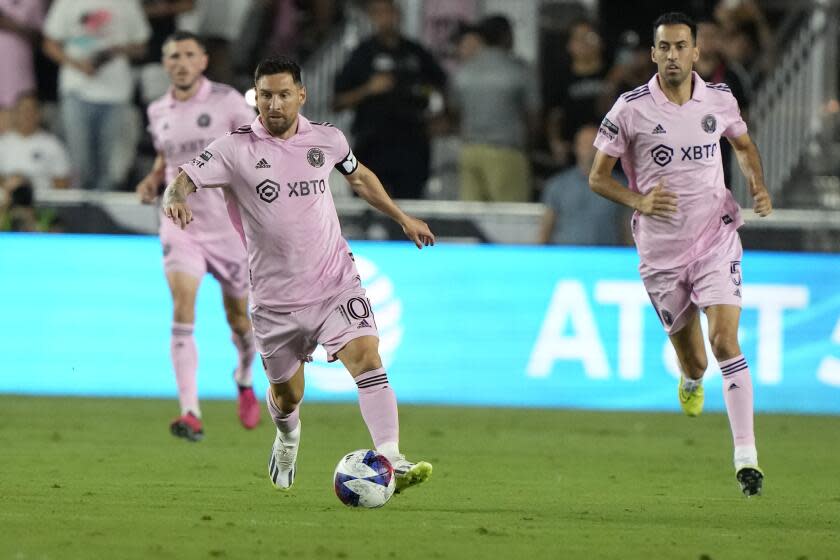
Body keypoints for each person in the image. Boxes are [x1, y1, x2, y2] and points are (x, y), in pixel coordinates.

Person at [162, 56, 436, 492]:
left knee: (366, 357)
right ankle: (288, 436)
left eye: (283, 94)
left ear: (301, 95)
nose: (274, 104)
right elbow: (183, 179)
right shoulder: (235, 148)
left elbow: (360, 177)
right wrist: (175, 199)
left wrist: (403, 217)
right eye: (266, 95)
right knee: (288, 397)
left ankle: (389, 455)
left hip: (334, 282)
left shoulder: (326, 140)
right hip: (275, 300)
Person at [588, 12, 772, 497]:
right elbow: (597, 177)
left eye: (681, 46)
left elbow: (744, 145)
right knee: (694, 362)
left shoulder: (720, 99)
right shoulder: (629, 110)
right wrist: (639, 200)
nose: (672, 55)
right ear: (653, 54)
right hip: (661, 253)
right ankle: (691, 383)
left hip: (716, 237)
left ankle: (746, 460)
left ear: (696, 52)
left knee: (726, 342)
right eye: (664, 47)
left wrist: (756, 182)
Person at [136, 31, 259, 441]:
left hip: (228, 228)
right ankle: (190, 412)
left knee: (239, 319)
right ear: (165, 63)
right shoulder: (158, 110)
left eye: (189, 54)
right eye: (173, 56)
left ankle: (244, 376)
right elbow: (165, 156)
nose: (181, 62)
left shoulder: (228, 103)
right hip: (180, 221)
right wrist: (154, 180)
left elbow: (258, 150)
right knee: (183, 304)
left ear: (203, 61)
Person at [333, 0, 447, 200]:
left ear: (398, 15)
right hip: (372, 145)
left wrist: (439, 117)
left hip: (412, 145)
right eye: (379, 13)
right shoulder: (363, 54)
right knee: (367, 208)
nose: (385, 18)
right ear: (372, 18)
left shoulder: (415, 52)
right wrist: (368, 89)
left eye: (389, 12)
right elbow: (337, 102)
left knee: (410, 210)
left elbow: (442, 85)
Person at [42, 0, 151, 191]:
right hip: (77, 90)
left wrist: (118, 50)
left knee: (110, 166)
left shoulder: (128, 3)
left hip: (115, 93)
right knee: (80, 162)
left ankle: (104, 216)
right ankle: (80, 215)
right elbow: (49, 43)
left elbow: (142, 45)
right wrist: (77, 64)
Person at [451, 15, 540, 203]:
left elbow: (454, 111)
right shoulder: (518, 70)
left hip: (469, 152)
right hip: (506, 152)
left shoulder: (464, 70)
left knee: (472, 220)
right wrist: (529, 147)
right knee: (510, 219)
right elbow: (533, 115)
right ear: (506, 36)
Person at [538, 124, 623, 245]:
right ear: (575, 148)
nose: (591, 148)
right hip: (564, 259)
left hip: (605, 260)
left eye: (597, 143)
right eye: (586, 144)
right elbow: (545, 231)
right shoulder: (556, 185)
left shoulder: (620, 187)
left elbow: (628, 231)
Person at [0, 93, 72, 194]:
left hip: (42, 202)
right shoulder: (3, 143)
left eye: (30, 110)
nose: (26, 115)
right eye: (22, 110)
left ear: (38, 114)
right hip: (7, 203)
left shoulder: (52, 144)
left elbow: (62, 183)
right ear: (15, 114)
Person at [0, 0, 44, 110]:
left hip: (20, 65)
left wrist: (12, 25)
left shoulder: (34, 2)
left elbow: (41, 37)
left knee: (23, 108)